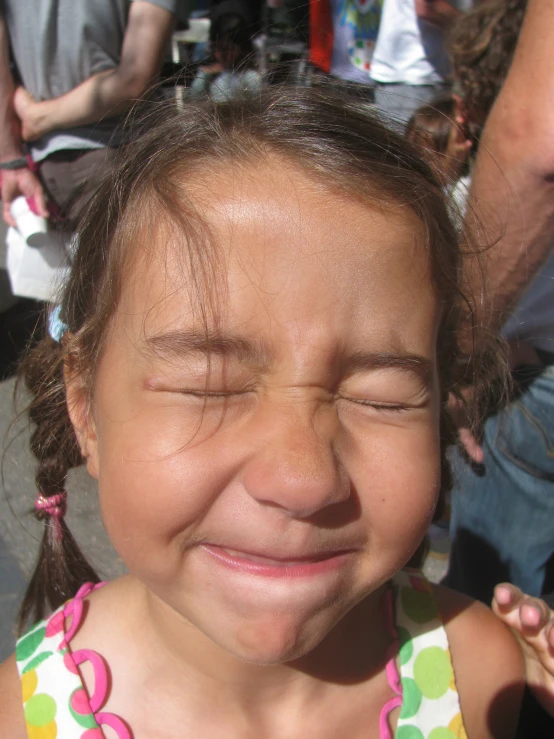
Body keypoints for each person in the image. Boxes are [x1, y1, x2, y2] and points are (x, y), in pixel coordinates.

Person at [0, 89, 524, 737]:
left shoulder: (480, 677)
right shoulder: (20, 719)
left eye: (380, 395)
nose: (303, 479)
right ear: (85, 406)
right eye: (209, 385)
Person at [442, 0, 554, 606]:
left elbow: (542, 148)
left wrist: (459, 361)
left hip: (525, 392)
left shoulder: (465, 202)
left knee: (493, 606)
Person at [0, 0, 179, 228]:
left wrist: (13, 157)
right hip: (124, 158)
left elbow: (133, 80)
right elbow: (135, 77)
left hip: (48, 165)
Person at [370, 0, 473, 128]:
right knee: (408, 147)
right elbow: (428, 6)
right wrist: (477, 29)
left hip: (428, 79)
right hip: (414, 81)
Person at [189, 9, 261, 101]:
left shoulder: (249, 76)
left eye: (229, 49)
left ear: (242, 48)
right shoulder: (208, 74)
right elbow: (195, 100)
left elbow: (257, 103)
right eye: (219, 48)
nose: (223, 54)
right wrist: (204, 76)